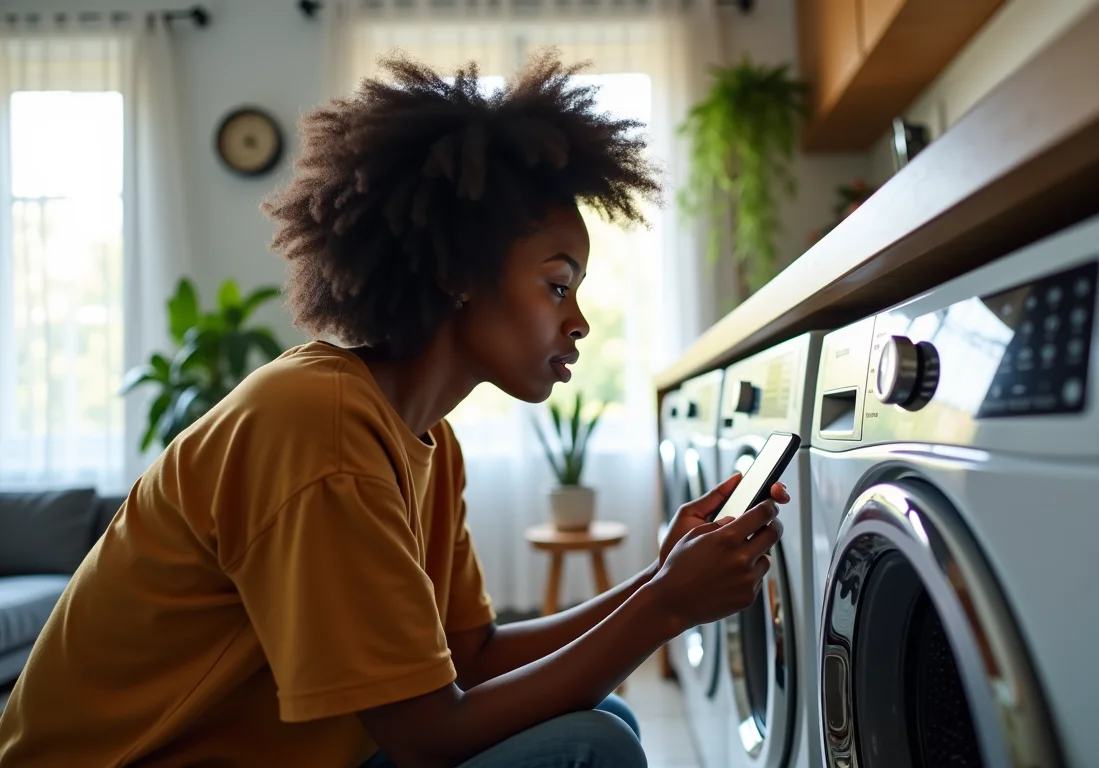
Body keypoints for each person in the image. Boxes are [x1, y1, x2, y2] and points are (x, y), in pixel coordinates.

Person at [0, 51, 788, 767]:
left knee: (603, 717)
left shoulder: (422, 441)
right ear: (457, 274)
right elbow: (428, 736)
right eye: (557, 284)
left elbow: (470, 656)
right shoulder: (320, 426)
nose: (578, 320)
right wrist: (665, 604)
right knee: (589, 747)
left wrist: (660, 576)